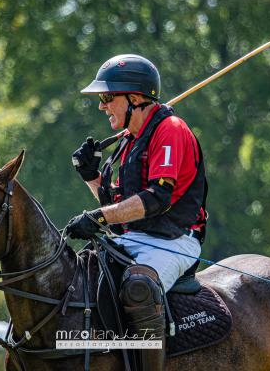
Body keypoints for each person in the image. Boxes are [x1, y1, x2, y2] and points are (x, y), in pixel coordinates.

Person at [66, 54, 207, 371]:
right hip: (135, 237)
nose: (102, 106)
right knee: (76, 275)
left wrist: (98, 218)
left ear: (135, 97)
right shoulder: (130, 141)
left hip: (175, 240)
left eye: (106, 97)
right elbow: (118, 204)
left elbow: (157, 198)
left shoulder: (170, 130)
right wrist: (92, 176)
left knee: (138, 288)